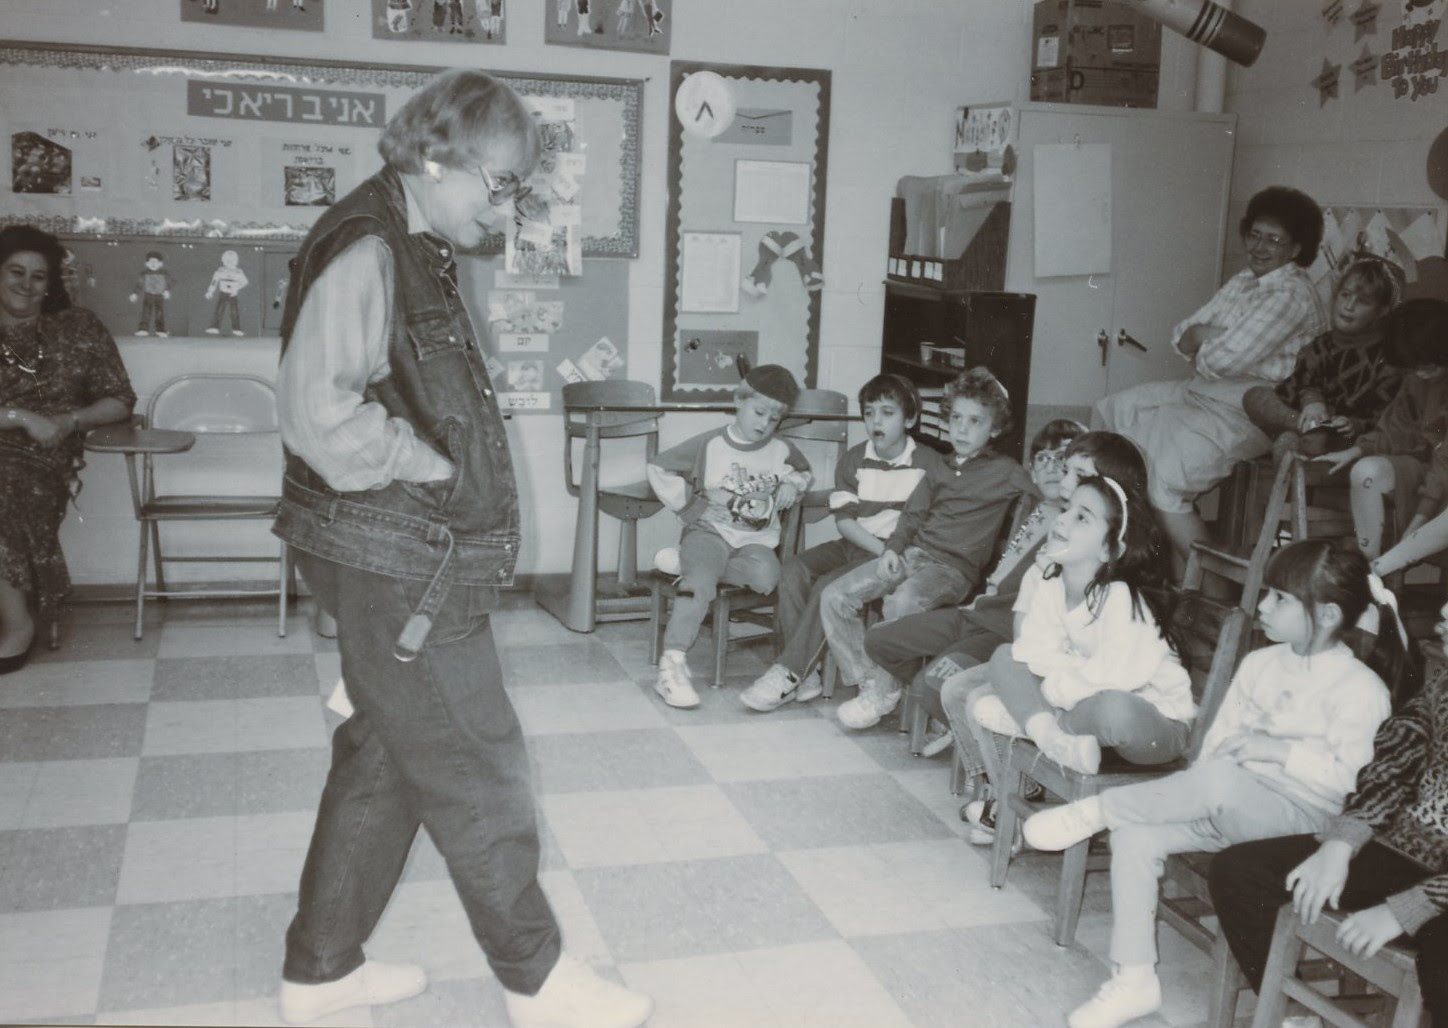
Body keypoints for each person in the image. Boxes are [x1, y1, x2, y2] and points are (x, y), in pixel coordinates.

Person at [270, 70, 652, 1028]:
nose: (507, 202)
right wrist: (426, 467)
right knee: (477, 758)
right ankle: (538, 979)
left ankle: (319, 972)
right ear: (435, 160)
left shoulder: (417, 237)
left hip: (394, 551)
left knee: (390, 754)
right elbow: (318, 413)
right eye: (499, 181)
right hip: (401, 555)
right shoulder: (370, 246)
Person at [1024, 541, 1403, 1028]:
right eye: (1267, 593)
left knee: (1218, 781)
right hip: (1227, 804)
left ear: (1327, 614)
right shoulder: (1259, 664)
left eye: (1280, 599)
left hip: (1304, 826)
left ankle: (1099, 809)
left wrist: (1280, 752)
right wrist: (1195, 790)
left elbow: (1357, 784)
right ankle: (1134, 978)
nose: (1263, 606)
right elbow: (1216, 746)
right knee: (1136, 837)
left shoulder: (1360, 688)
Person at [1208, 603, 1447, 1028]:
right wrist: (1342, 842)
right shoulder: (1443, 685)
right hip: (1410, 851)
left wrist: (1406, 909)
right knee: (1239, 870)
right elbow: (1393, 763)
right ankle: (1298, 1020)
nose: (1442, 610)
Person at [923, 430, 1148, 845]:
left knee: (976, 696)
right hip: (1045, 664)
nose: (1068, 484)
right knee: (957, 689)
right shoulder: (1061, 534)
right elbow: (1029, 617)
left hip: (1084, 686)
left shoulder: (1117, 563)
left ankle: (1007, 803)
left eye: (1082, 476)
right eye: (1069, 473)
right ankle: (1002, 789)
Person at [1094, 186, 1326, 570]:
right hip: (1203, 391)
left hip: (1249, 407)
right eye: (1254, 235)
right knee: (1109, 415)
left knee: (1162, 482)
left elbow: (1222, 358)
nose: (1260, 247)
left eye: (1274, 239)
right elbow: (1181, 335)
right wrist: (1204, 340)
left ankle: (1208, 591)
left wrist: (1205, 339)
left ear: (1296, 249)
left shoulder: (1292, 294)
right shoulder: (1245, 281)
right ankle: (1150, 569)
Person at [819, 367, 1035, 730]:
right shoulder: (939, 467)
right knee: (834, 596)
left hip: (952, 570)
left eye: (975, 421)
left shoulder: (1007, 471)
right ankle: (873, 682)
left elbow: (1045, 498)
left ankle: (883, 691)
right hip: (911, 556)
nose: (962, 429)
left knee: (901, 603)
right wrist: (891, 551)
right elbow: (912, 516)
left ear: (994, 428)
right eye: (955, 419)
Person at [855, 417, 1084, 743]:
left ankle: (956, 706)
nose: (1051, 468)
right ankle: (952, 705)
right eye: (1043, 459)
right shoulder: (1029, 505)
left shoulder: (1072, 527)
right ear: (1031, 468)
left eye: (1062, 460)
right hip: (977, 611)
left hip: (1004, 630)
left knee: (928, 686)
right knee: (879, 640)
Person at [739, 374, 938, 712]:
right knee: (794, 570)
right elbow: (846, 523)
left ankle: (789, 672)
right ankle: (809, 671)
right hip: (861, 544)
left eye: (888, 413)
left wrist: (889, 552)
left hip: (897, 552)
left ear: (911, 418)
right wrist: (881, 551)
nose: (876, 421)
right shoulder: (854, 459)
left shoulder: (929, 464)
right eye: (870, 412)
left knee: (827, 587)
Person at [972, 473, 1192, 779]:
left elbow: (1116, 676)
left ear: (1109, 550)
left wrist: (1054, 687)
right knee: (1006, 656)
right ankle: (1053, 738)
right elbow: (1032, 650)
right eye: (1066, 510)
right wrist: (1066, 673)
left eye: (1082, 518)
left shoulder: (1120, 597)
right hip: (1082, 706)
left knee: (1113, 708)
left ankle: (1036, 725)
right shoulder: (1052, 584)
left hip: (1154, 722)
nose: (1062, 521)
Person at [0, 225, 135, 673]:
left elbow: (119, 398)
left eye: (38, 276)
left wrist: (67, 421)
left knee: (5, 490)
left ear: (51, 283)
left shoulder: (77, 326)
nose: (26, 283)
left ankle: (17, 625)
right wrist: (20, 417)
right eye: (15, 271)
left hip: (41, 458)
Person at [646, 364, 811, 710]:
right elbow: (658, 467)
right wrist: (694, 508)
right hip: (710, 533)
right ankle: (671, 666)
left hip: (754, 544)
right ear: (739, 400)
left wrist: (790, 485)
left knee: (768, 577)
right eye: (759, 412)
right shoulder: (710, 444)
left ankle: (686, 565)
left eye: (774, 418)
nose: (765, 424)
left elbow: (804, 472)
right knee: (700, 586)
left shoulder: (781, 449)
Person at [1316, 297, 1448, 571]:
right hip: (1428, 467)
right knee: (1365, 472)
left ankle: (1375, 574)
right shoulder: (1418, 379)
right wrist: (1357, 450)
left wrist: (1419, 519)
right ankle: (1367, 562)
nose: (1421, 375)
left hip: (1442, 482)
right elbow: (1400, 428)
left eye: (1429, 367)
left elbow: (1443, 460)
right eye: (1415, 368)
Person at [1242, 255, 1403, 457]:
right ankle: (1305, 429)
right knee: (1254, 396)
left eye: (1362, 301)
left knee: (1314, 440)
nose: (1349, 305)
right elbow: (1303, 379)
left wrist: (1355, 424)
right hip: (1302, 416)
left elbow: (1385, 414)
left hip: (1341, 434)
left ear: (1381, 311)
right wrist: (1312, 401)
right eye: (1345, 295)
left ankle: (1303, 437)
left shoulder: (1386, 358)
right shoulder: (1323, 343)